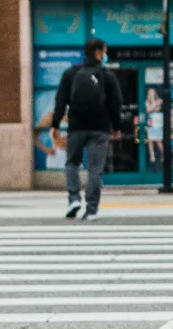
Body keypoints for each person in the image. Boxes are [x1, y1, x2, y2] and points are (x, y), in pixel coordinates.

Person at [51, 38, 123, 220]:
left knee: (72, 163)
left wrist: (55, 124)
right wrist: (116, 126)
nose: (105, 55)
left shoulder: (71, 73)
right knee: (95, 168)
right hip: (100, 128)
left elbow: (60, 101)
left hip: (76, 127)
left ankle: (73, 199)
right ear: (98, 53)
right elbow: (116, 104)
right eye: (105, 52)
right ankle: (91, 209)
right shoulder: (107, 75)